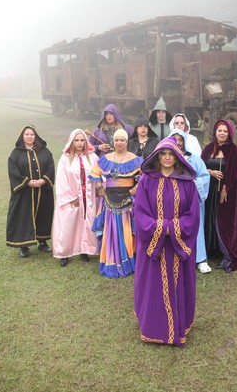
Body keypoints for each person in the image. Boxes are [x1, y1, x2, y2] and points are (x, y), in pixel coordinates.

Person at [134, 137, 200, 347]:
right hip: (155, 247)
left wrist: (173, 229)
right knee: (152, 287)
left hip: (178, 246)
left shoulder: (187, 183)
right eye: (163, 154)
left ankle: (179, 325)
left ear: (178, 156)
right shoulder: (147, 180)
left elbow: (193, 215)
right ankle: (154, 328)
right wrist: (161, 229)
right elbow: (141, 213)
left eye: (171, 154)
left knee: (179, 283)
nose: (167, 158)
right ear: (157, 156)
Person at [89, 129, 143, 278]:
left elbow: (145, 177)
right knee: (111, 232)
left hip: (128, 203)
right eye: (117, 140)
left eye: (122, 140)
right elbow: (94, 173)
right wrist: (100, 186)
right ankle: (111, 261)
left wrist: (135, 188)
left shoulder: (135, 159)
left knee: (127, 231)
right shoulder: (106, 158)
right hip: (109, 202)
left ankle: (128, 261)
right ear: (114, 141)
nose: (119, 143)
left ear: (127, 142)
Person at [200, 119, 237, 272]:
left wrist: (225, 189)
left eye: (225, 131)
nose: (222, 133)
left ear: (229, 134)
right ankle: (211, 250)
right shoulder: (208, 148)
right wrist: (210, 172)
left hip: (225, 192)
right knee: (210, 219)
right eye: (219, 130)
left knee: (222, 221)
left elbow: (236, 174)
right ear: (215, 132)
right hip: (209, 190)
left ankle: (225, 252)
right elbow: (199, 168)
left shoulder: (233, 151)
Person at [52, 129, 99, 267]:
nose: (79, 143)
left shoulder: (93, 157)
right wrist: (70, 197)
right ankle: (64, 253)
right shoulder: (65, 159)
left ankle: (84, 249)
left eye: (82, 140)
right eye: (76, 140)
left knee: (87, 223)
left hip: (89, 198)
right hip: (72, 198)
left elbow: (98, 174)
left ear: (86, 141)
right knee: (68, 225)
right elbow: (61, 179)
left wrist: (98, 188)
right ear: (72, 142)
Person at [6, 125, 55, 258]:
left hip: (43, 191)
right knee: (23, 216)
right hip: (24, 193)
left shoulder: (45, 151)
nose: (29, 137)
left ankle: (43, 242)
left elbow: (51, 167)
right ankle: (23, 245)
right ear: (23, 136)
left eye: (32, 134)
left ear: (36, 136)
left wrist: (43, 180)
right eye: (27, 134)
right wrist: (27, 182)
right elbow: (13, 171)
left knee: (43, 215)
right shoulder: (16, 153)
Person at [169, 128, 212, 273]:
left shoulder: (193, 158)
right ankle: (179, 257)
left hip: (192, 199)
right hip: (173, 201)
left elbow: (205, 176)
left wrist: (191, 184)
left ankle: (200, 259)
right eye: (175, 140)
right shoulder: (166, 159)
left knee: (196, 226)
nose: (178, 143)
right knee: (176, 227)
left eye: (181, 140)